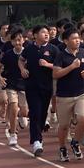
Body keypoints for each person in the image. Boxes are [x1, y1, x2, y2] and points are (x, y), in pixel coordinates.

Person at [19, 25, 59, 157]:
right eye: (43, 32)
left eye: (47, 33)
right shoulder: (29, 48)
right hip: (32, 86)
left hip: (46, 86)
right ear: (35, 35)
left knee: (42, 114)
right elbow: (21, 60)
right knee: (35, 112)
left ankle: (39, 132)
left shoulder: (53, 49)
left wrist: (47, 65)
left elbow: (59, 66)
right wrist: (22, 69)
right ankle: (36, 141)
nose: (46, 34)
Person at [53, 27, 84, 162]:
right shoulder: (61, 55)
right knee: (64, 126)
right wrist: (72, 67)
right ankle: (62, 147)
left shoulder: (83, 52)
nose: (78, 41)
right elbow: (55, 74)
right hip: (64, 95)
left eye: (78, 38)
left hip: (81, 93)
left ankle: (75, 142)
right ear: (66, 41)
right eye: (74, 39)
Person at [0, 30, 28, 147]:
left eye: (19, 40)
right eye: (15, 40)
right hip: (11, 84)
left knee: (24, 111)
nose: (17, 42)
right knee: (13, 107)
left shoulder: (28, 53)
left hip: (24, 86)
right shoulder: (8, 54)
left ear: (23, 40)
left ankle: (22, 116)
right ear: (11, 42)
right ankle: (13, 134)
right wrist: (0, 77)